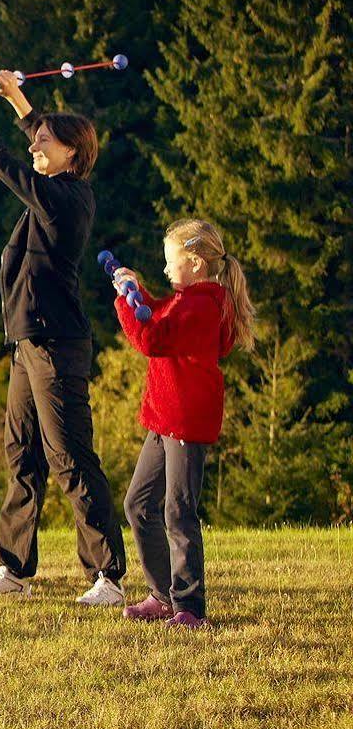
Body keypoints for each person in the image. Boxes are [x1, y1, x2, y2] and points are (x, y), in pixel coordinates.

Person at [0, 69, 126, 606]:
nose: (34, 143)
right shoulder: (56, 184)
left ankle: (107, 576)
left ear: (72, 154)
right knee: (21, 454)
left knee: (70, 457)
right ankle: (14, 570)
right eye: (34, 136)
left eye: (44, 141)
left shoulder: (66, 199)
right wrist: (16, 98)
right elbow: (37, 141)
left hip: (58, 344)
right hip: (27, 342)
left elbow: (5, 165)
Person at [111, 218, 256, 630]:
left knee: (179, 512)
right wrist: (136, 290)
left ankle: (189, 608)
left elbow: (152, 339)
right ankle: (162, 595)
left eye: (170, 261)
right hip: (165, 420)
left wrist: (124, 303)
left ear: (193, 262)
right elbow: (160, 315)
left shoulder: (200, 306)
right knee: (138, 504)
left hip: (185, 423)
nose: (166, 269)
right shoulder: (188, 299)